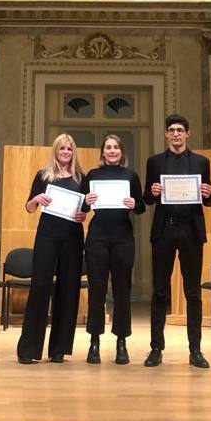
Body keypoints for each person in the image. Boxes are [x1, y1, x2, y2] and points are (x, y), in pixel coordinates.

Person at [143, 114, 211, 368]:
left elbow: (209, 199)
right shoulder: (155, 162)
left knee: (193, 293)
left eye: (180, 130)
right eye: (171, 130)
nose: (175, 134)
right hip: (164, 231)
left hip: (191, 231)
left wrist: (208, 194)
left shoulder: (201, 162)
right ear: (166, 134)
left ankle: (195, 349)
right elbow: (146, 200)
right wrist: (151, 192)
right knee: (160, 291)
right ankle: (155, 348)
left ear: (188, 134)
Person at [17, 133, 86, 364]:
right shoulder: (43, 175)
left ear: (73, 151)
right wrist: (36, 199)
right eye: (62, 149)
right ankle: (28, 350)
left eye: (69, 149)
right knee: (40, 288)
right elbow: (29, 208)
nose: (65, 152)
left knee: (68, 290)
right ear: (55, 151)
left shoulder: (81, 178)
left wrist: (84, 214)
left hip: (72, 238)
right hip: (47, 236)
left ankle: (59, 349)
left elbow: (85, 209)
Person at [81, 134, 146, 365]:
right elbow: (83, 207)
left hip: (122, 238)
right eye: (108, 147)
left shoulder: (131, 176)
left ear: (122, 152)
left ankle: (121, 342)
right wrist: (86, 201)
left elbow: (141, 206)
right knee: (96, 290)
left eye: (116, 147)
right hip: (97, 237)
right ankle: (94, 342)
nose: (111, 151)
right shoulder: (93, 175)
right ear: (102, 152)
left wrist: (134, 205)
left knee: (122, 291)